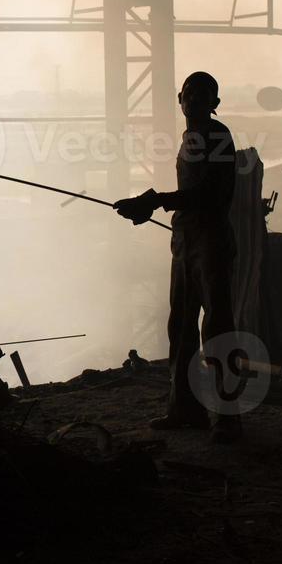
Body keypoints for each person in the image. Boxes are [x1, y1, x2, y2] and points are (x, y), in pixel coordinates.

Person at [114, 71, 241, 443]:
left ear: (215, 104)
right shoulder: (191, 139)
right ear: (180, 98)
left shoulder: (217, 137)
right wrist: (154, 206)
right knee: (182, 327)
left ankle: (228, 418)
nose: (196, 101)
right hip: (186, 241)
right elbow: (194, 194)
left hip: (211, 241)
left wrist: (155, 201)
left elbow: (209, 194)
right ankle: (185, 408)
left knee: (216, 328)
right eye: (191, 94)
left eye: (204, 96)